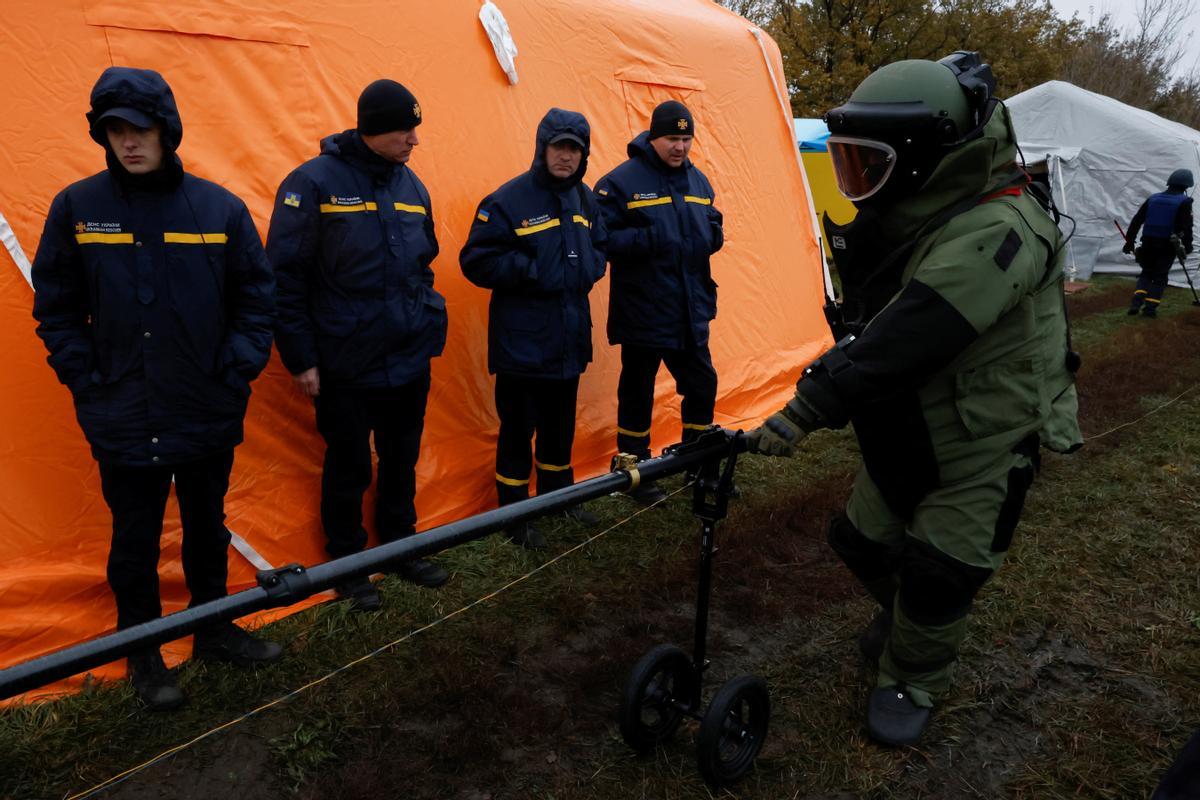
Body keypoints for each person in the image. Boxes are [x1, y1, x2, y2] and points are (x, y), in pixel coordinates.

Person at [748, 52, 1082, 746]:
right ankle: (910, 624)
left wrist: (809, 406)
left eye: (871, 166)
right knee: (860, 540)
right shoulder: (925, 217)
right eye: (849, 163)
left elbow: (917, 326)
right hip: (909, 420)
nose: (858, 184)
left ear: (927, 156)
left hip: (981, 435)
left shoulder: (1001, 226)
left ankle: (914, 674)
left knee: (940, 574)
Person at [31, 67, 282, 711]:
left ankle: (212, 626)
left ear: (166, 129)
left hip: (206, 405)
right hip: (121, 408)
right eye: (114, 130)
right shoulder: (78, 209)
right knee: (134, 536)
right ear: (102, 135)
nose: (128, 142)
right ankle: (144, 651)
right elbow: (55, 307)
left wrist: (236, 368)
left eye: (139, 128)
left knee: (207, 525)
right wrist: (86, 377)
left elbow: (257, 298)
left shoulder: (217, 208)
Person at [266, 79, 450, 611]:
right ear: (373, 128)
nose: (414, 139)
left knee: (401, 455)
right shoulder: (312, 183)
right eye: (404, 128)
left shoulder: (411, 185)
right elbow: (285, 278)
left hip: (408, 354)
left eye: (416, 128)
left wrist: (423, 320)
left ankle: (400, 546)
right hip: (345, 359)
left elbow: (422, 264)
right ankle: (350, 565)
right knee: (349, 463)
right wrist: (300, 357)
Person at [459, 109, 607, 549]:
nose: (566, 156)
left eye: (575, 149)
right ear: (542, 147)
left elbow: (600, 245)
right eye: (559, 146)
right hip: (523, 342)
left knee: (560, 425)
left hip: (569, 336)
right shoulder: (507, 201)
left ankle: (559, 498)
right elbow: (475, 261)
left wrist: (590, 268)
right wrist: (531, 268)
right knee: (518, 428)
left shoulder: (585, 199)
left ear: (584, 155)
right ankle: (515, 513)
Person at [594, 101, 724, 504]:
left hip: (689, 309)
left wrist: (712, 237)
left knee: (702, 384)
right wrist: (648, 240)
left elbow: (714, 225)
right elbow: (600, 238)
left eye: (686, 139)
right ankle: (635, 473)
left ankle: (695, 464)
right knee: (638, 390)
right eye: (672, 138)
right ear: (653, 137)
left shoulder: (699, 182)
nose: (680, 147)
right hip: (643, 310)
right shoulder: (619, 183)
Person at [1122, 169, 1194, 318]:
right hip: (1167, 245)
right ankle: (1149, 309)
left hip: (1147, 242)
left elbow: (1137, 220)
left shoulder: (1153, 198)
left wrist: (1129, 241)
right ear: (1186, 186)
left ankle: (1136, 303)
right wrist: (1187, 247)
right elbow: (1186, 227)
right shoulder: (1184, 202)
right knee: (1160, 276)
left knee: (1146, 273)